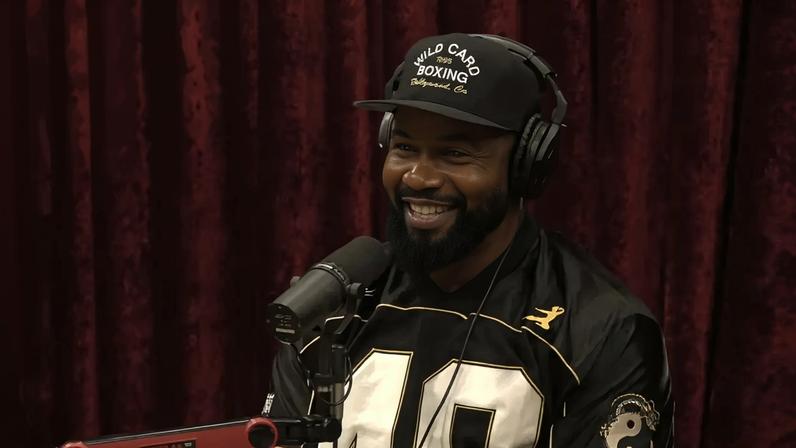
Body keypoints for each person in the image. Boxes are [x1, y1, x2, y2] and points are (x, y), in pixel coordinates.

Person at [267, 33, 674, 448]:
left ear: (525, 164)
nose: (418, 178)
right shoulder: (333, 307)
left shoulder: (600, 329)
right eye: (405, 146)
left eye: (455, 154)